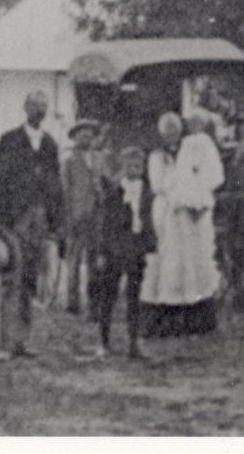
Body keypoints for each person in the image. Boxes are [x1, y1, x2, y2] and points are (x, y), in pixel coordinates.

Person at [0, 90, 65, 358]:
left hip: (40, 218)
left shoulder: (49, 144)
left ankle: (22, 341)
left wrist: (56, 225)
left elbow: (56, 188)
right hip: (14, 219)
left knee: (31, 279)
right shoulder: (9, 140)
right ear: (25, 107)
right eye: (34, 105)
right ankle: (6, 341)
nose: (39, 110)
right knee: (12, 276)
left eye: (44, 106)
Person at [140, 112, 225, 337]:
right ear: (162, 134)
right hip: (169, 211)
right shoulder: (157, 155)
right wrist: (180, 188)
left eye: (175, 131)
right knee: (171, 261)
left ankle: (196, 316)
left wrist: (193, 195)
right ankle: (168, 317)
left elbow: (202, 177)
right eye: (168, 132)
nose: (172, 135)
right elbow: (159, 184)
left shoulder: (189, 150)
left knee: (195, 261)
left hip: (190, 212)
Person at [89, 146, 157, 359]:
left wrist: (150, 244)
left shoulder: (147, 191)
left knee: (134, 297)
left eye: (137, 166)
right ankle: (103, 341)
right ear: (122, 166)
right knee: (109, 295)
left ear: (143, 168)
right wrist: (101, 251)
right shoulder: (114, 190)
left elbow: (149, 220)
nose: (133, 169)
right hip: (115, 248)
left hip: (136, 248)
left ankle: (133, 344)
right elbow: (103, 223)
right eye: (129, 165)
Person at [60, 119, 102, 315]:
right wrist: (67, 218)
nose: (86, 137)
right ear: (75, 137)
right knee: (74, 260)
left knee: (94, 261)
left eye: (89, 134)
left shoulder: (99, 158)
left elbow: (105, 182)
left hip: (96, 216)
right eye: (82, 134)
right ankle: (72, 301)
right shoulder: (68, 160)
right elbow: (65, 190)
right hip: (76, 216)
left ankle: (94, 302)